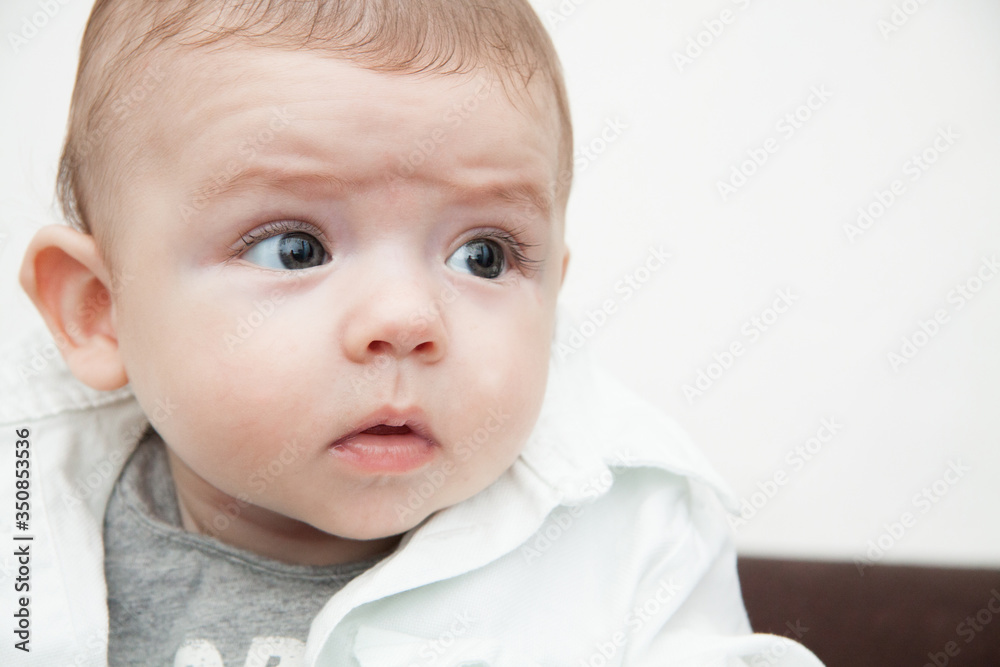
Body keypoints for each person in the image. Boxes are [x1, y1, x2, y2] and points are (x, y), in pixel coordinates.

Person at [6, 0, 823, 664]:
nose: (407, 318)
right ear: (98, 309)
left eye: (483, 256)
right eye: (296, 248)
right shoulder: (29, 514)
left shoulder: (630, 539)